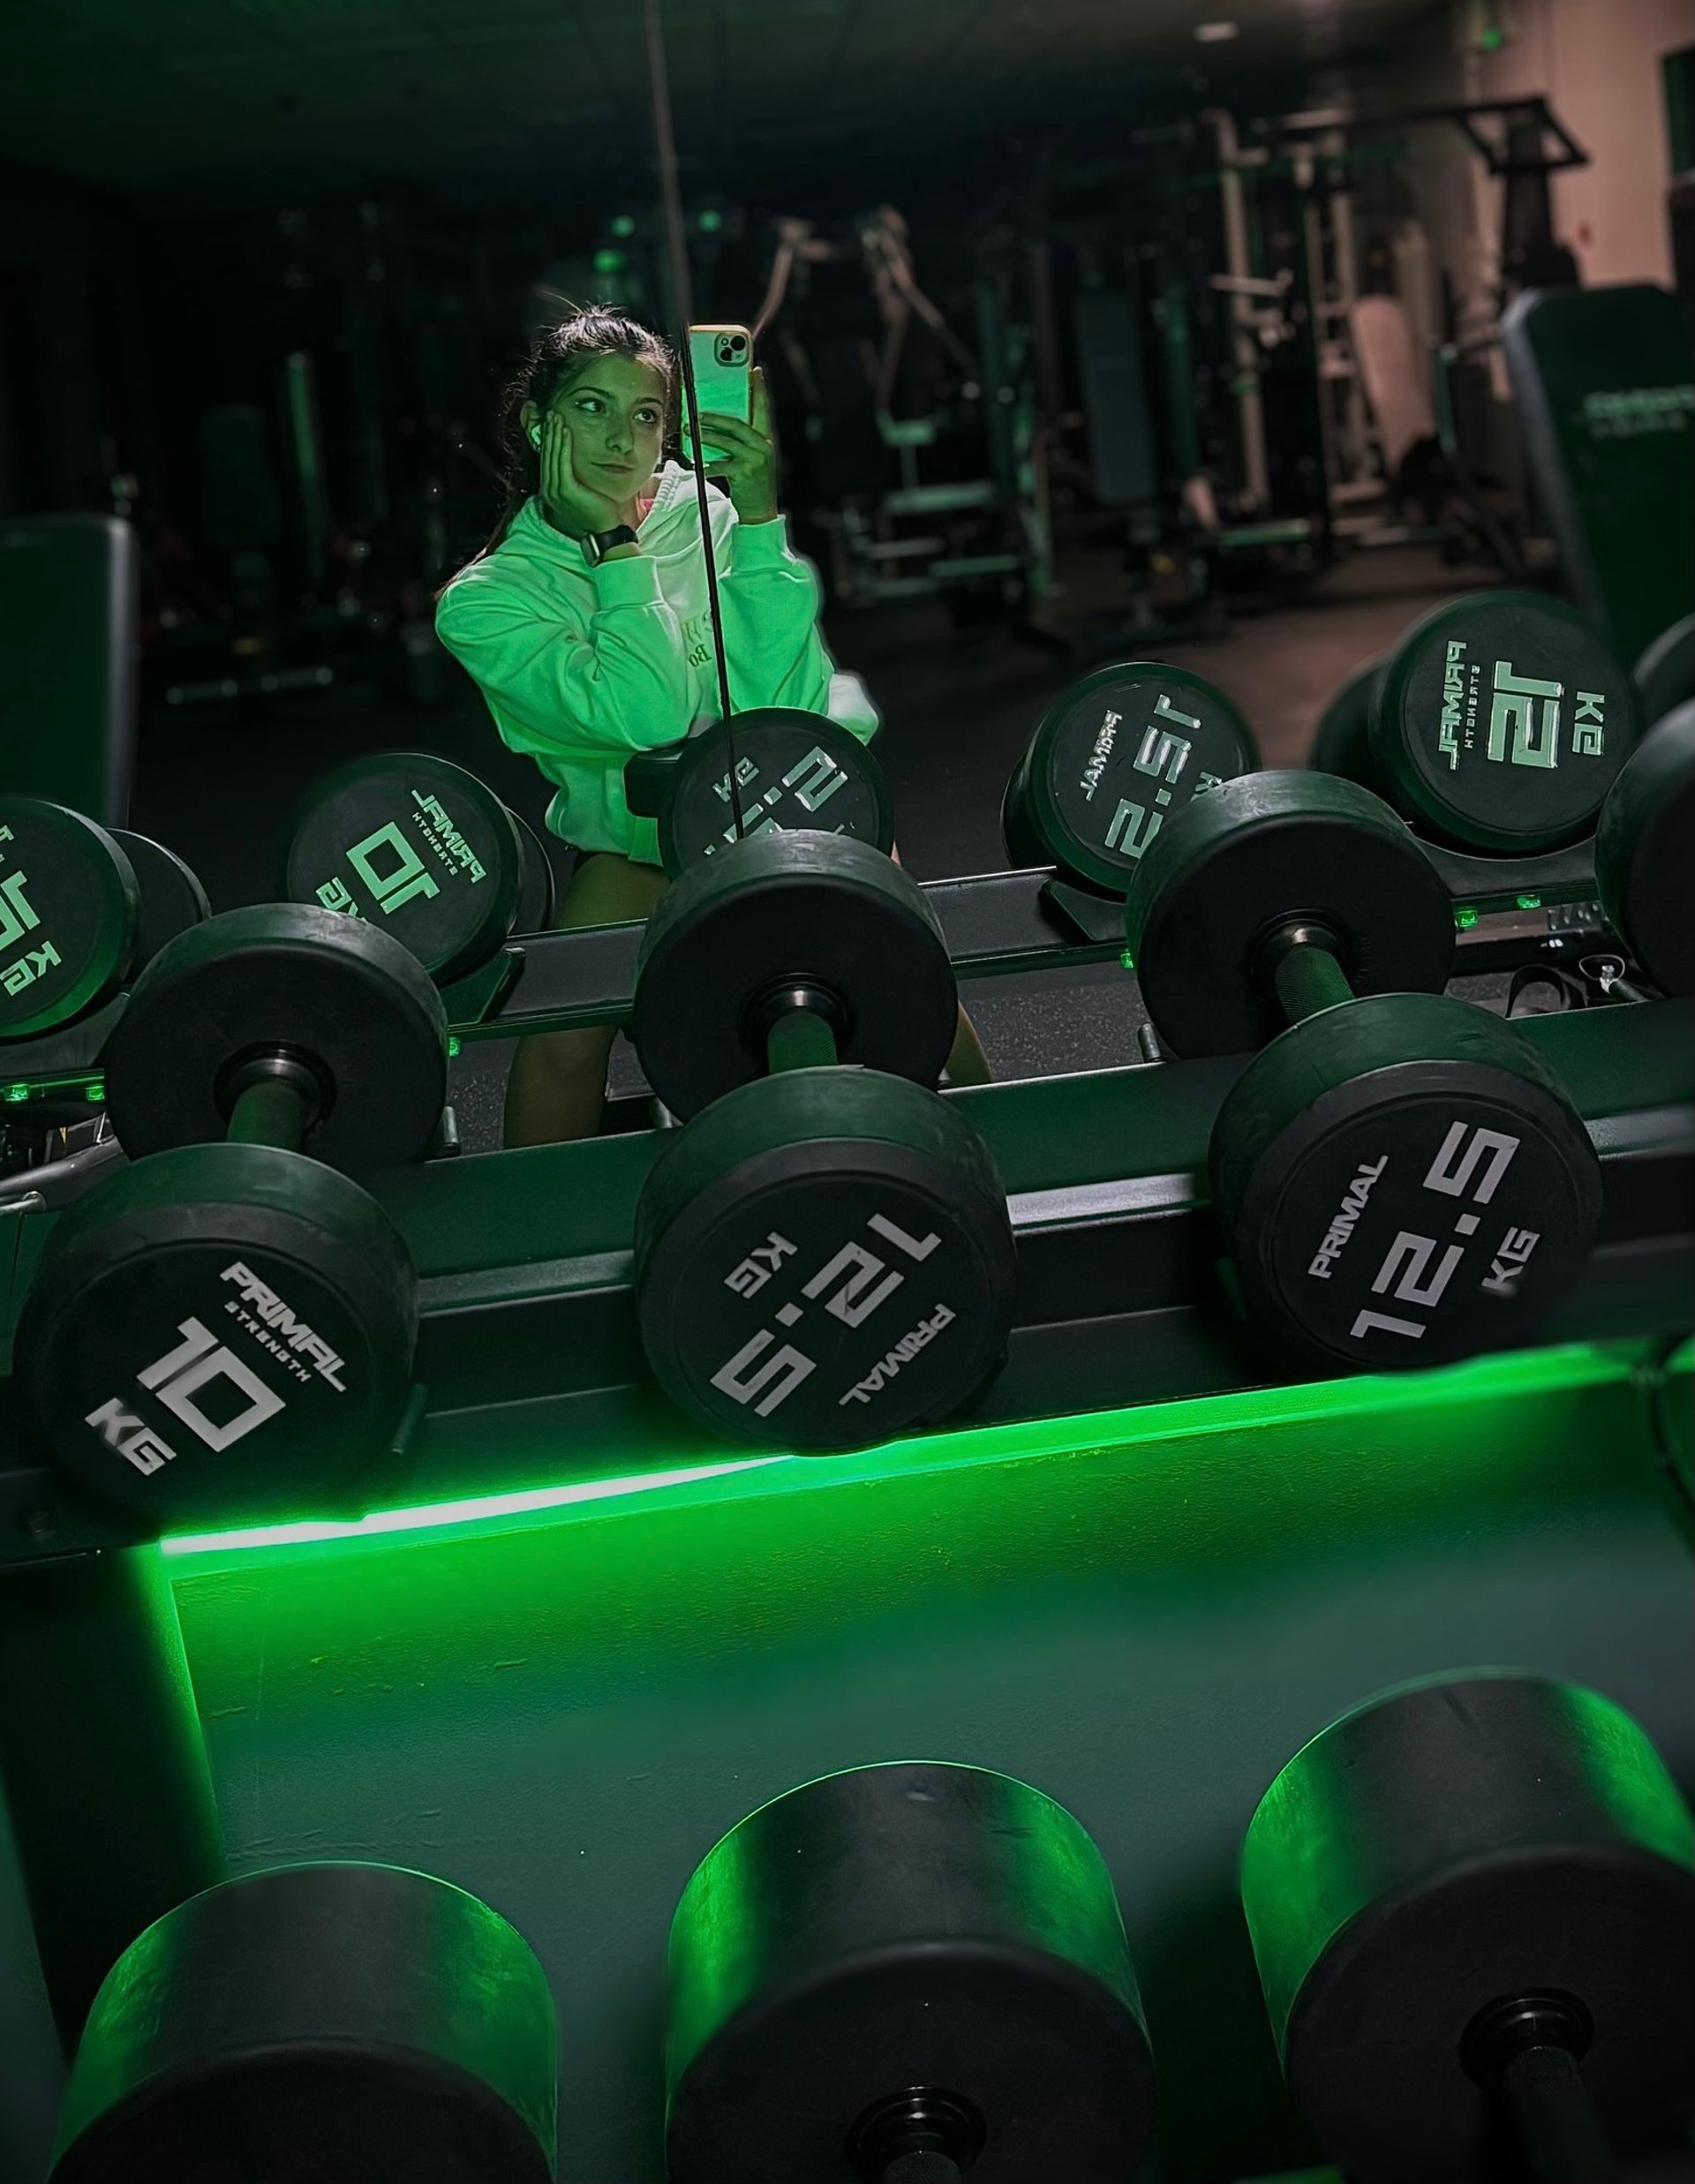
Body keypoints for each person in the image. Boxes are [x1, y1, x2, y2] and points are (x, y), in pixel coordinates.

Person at [437, 305, 990, 1144]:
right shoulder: (485, 603)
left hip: (791, 802)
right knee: (558, 1041)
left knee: (919, 986)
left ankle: (1003, 1164)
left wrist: (760, 520)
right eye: (591, 408)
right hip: (644, 844)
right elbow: (646, 714)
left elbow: (789, 699)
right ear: (537, 422)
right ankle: (542, 1237)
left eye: (645, 414)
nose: (621, 439)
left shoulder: (705, 512)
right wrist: (617, 549)